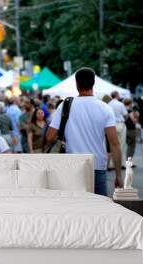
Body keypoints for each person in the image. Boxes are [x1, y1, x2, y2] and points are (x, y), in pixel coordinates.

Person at [46, 67, 123, 196]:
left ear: (76, 84)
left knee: (76, 208)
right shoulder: (105, 108)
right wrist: (119, 175)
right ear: (93, 83)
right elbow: (114, 143)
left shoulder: (65, 106)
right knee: (99, 209)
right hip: (97, 165)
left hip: (72, 166)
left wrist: (66, 138)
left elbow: (49, 136)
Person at [108, 91, 128, 166]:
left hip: (111, 125)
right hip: (120, 124)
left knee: (112, 145)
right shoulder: (120, 104)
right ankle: (121, 163)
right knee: (121, 144)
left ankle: (111, 164)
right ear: (116, 95)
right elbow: (126, 115)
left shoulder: (109, 104)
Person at [124, 98, 139, 165]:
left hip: (125, 129)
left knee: (128, 146)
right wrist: (136, 117)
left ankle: (127, 161)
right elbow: (134, 121)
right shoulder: (130, 111)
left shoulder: (123, 109)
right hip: (131, 130)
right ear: (130, 103)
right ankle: (129, 162)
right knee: (131, 147)